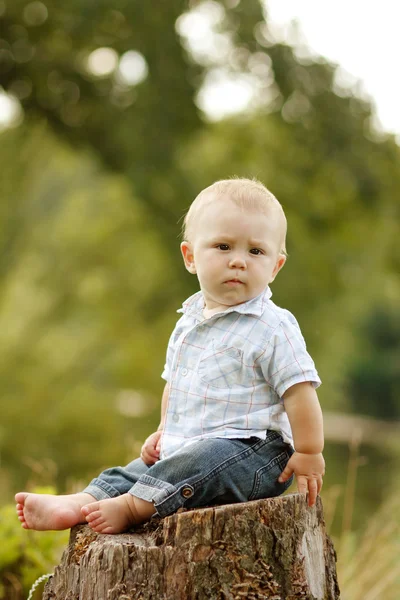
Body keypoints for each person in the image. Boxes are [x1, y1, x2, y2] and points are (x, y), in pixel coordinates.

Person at [15, 178, 324, 535]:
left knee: (200, 460)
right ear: (190, 257)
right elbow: (176, 384)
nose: (238, 261)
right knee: (142, 467)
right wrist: (165, 430)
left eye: (256, 251)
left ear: (275, 266)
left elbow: (299, 392)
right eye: (223, 246)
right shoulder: (189, 321)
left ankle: (133, 506)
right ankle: (83, 500)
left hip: (256, 454)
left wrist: (309, 451)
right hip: (190, 447)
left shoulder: (273, 326)